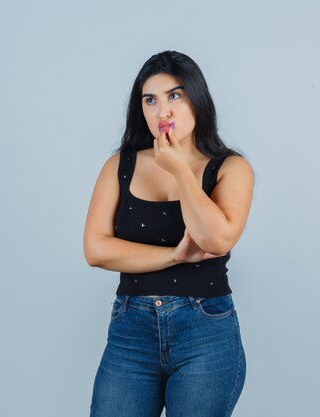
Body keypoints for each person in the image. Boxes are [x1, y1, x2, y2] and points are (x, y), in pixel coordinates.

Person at [83, 50, 255, 417]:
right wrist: (174, 256)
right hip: (131, 329)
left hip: (205, 331)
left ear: (197, 98)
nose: (164, 111)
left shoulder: (231, 168)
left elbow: (216, 239)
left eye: (175, 95)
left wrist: (181, 172)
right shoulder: (120, 165)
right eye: (151, 100)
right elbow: (96, 249)